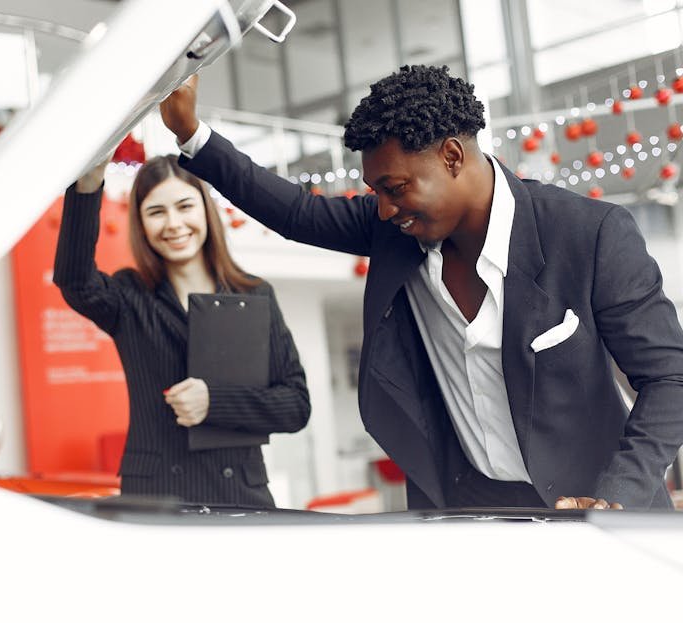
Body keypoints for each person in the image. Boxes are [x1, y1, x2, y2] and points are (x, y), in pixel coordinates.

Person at [159, 67, 683, 511]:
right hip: (470, 513)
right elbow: (296, 212)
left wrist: (617, 496)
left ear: (452, 156)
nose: (385, 209)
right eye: (376, 192)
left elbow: (669, 377)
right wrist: (190, 132)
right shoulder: (395, 232)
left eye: (396, 188)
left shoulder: (589, 233)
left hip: (595, 510)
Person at [53, 154, 310, 507]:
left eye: (184, 206)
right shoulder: (129, 295)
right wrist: (88, 185)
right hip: (156, 498)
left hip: (240, 495)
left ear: (205, 209)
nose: (173, 224)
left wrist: (214, 402)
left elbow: (295, 405)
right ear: (141, 224)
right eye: (156, 212)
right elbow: (75, 281)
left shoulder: (253, 294)